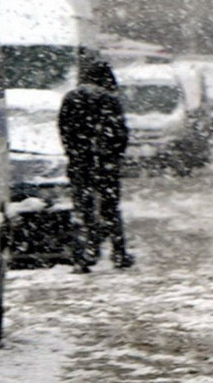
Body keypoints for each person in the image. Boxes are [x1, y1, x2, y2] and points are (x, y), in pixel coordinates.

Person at [58, 58, 134, 273]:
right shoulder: (109, 100)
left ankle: (85, 253)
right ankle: (118, 253)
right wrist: (114, 156)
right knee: (110, 208)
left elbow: (64, 129)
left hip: (81, 162)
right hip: (105, 163)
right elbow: (120, 134)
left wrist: (74, 153)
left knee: (84, 208)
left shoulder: (72, 98)